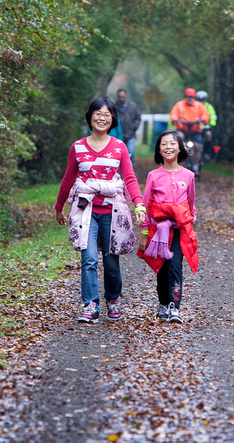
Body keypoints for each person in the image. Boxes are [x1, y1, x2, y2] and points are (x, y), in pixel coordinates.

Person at [55, 98, 147, 323]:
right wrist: (59, 208)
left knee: (110, 262)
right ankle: (90, 305)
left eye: (107, 114)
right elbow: (68, 179)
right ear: (90, 116)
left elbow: (130, 178)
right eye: (98, 113)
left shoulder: (119, 147)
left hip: (112, 213)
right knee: (88, 260)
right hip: (85, 212)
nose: (102, 117)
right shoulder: (77, 147)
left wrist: (139, 203)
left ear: (113, 119)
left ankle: (113, 299)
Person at [137, 130, 199, 324]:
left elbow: (191, 204)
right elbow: (147, 206)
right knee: (162, 269)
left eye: (172, 143)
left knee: (175, 266)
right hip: (158, 231)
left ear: (180, 148)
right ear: (159, 149)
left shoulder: (188, 176)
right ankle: (163, 304)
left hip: (179, 230)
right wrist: (144, 233)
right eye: (164, 144)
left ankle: (175, 307)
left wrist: (189, 224)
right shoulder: (153, 176)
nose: (168, 147)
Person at [169, 88, 209, 178]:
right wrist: (175, 119)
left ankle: (195, 167)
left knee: (197, 146)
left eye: (191, 97)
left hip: (195, 130)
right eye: (188, 97)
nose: (189, 99)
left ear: (194, 97)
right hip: (183, 129)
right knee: (178, 138)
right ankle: (178, 162)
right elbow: (173, 114)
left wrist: (204, 119)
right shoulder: (179, 105)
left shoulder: (199, 105)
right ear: (185, 97)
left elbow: (205, 114)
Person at [115, 88, 141, 167]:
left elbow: (138, 117)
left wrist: (134, 127)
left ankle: (130, 174)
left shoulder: (133, 106)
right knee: (118, 156)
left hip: (131, 135)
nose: (121, 98)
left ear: (126, 95)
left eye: (123, 96)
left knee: (131, 154)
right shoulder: (115, 106)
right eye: (120, 97)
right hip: (119, 136)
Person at [195, 90, 217, 162]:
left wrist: (211, 124)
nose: (201, 101)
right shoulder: (194, 106)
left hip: (205, 127)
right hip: (194, 128)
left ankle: (206, 152)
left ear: (206, 100)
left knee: (209, 135)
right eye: (199, 100)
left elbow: (213, 116)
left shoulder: (208, 106)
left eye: (203, 100)